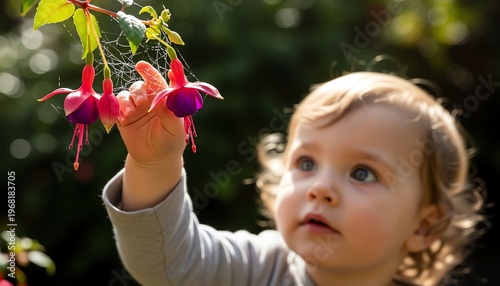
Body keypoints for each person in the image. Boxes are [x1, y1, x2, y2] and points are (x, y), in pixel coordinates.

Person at [102, 61, 485, 286]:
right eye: (306, 164)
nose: (320, 188)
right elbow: (167, 265)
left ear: (423, 227)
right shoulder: (259, 267)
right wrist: (153, 164)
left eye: (363, 173)